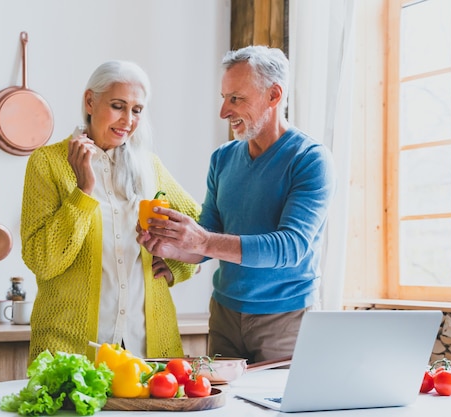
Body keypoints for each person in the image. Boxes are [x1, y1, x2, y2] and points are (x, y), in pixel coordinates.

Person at [137, 45, 336, 364]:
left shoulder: (310, 159)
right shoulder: (223, 158)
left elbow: (291, 247)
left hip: (285, 322)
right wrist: (175, 247)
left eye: (236, 99)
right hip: (224, 317)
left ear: (274, 95)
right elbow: (211, 235)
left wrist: (200, 239)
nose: (224, 111)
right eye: (224, 97)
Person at [21, 60, 201, 363]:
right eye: (118, 106)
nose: (128, 120)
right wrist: (83, 192)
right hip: (71, 350)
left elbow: (199, 224)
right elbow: (42, 261)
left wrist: (177, 265)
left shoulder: (150, 167)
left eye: (137, 110)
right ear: (90, 101)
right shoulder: (48, 163)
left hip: (147, 347)